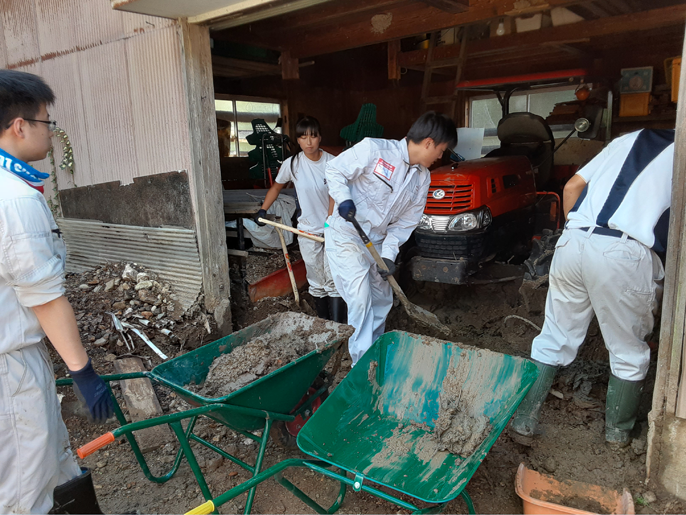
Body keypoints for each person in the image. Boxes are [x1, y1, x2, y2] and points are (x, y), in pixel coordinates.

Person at [511, 128, 674, 448]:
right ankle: (617, 436)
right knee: (628, 352)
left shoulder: (629, 139)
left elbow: (572, 186)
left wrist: (584, 236)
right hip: (624, 251)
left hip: (572, 241)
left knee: (553, 338)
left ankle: (523, 420)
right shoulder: (679, 152)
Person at [0, 70, 113, 514]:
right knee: (26, 486)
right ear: (20, 126)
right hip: (11, 367)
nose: (51, 132)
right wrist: (82, 372)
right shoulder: (15, 200)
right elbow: (45, 298)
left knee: (57, 463)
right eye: (47, 121)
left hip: (15, 358)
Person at [324, 111, 457, 365]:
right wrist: (344, 199)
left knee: (382, 298)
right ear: (429, 142)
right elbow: (334, 170)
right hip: (347, 234)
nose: (441, 156)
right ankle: (361, 365)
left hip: (377, 242)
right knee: (361, 297)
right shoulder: (374, 150)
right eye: (441, 150)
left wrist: (388, 254)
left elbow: (407, 222)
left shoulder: (422, 178)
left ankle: (375, 352)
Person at [255, 116, 346, 322]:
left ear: (320, 137)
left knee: (333, 278)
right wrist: (263, 210)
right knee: (315, 279)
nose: (309, 142)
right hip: (307, 231)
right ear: (298, 140)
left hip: (332, 228)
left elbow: (335, 194)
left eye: (313, 136)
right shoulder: (293, 164)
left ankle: (339, 326)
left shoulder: (332, 163)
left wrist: (329, 222)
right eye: (304, 137)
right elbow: (277, 187)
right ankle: (323, 323)